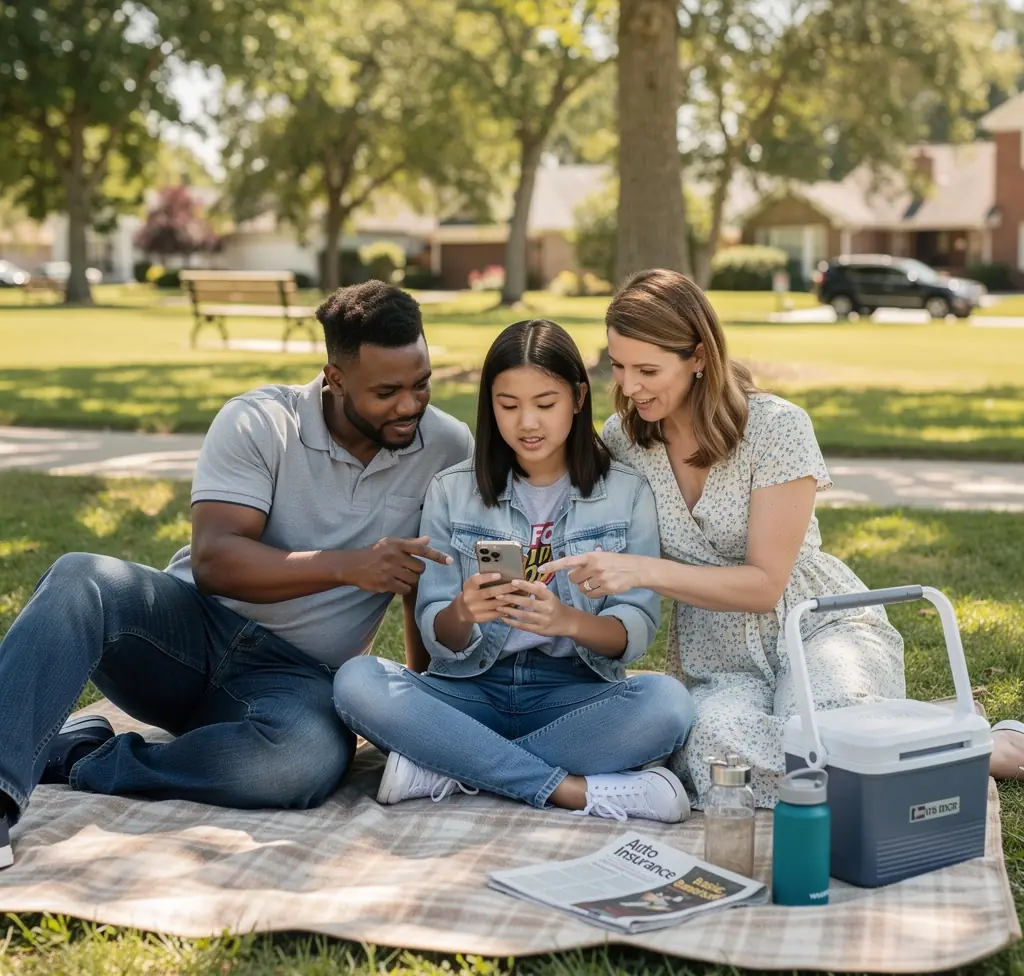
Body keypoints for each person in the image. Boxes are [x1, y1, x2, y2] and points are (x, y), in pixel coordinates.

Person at [0, 281, 473, 870]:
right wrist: (349, 565)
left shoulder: (447, 447)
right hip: (185, 637)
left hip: (295, 678)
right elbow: (216, 561)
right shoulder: (259, 422)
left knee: (299, 763)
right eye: (386, 392)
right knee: (80, 578)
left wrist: (419, 714)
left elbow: (424, 585)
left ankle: (83, 758)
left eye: (421, 383)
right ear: (335, 377)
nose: (408, 405)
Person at [541, 269, 906, 808]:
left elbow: (765, 585)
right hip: (718, 658)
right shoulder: (624, 439)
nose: (629, 386)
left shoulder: (777, 428)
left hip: (818, 625)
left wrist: (644, 571)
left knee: (824, 725)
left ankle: (969, 750)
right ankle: (886, 757)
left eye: (647, 370)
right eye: (618, 366)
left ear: (698, 357)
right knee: (716, 746)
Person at [333, 319, 695, 823]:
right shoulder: (451, 490)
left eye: (545, 404)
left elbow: (634, 631)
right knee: (357, 680)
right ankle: (570, 790)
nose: (528, 423)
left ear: (578, 398)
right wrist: (463, 612)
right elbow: (437, 630)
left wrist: (569, 622)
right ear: (490, 405)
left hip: (573, 696)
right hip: (468, 690)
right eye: (508, 406)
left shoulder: (626, 493)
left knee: (668, 704)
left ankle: (449, 765)